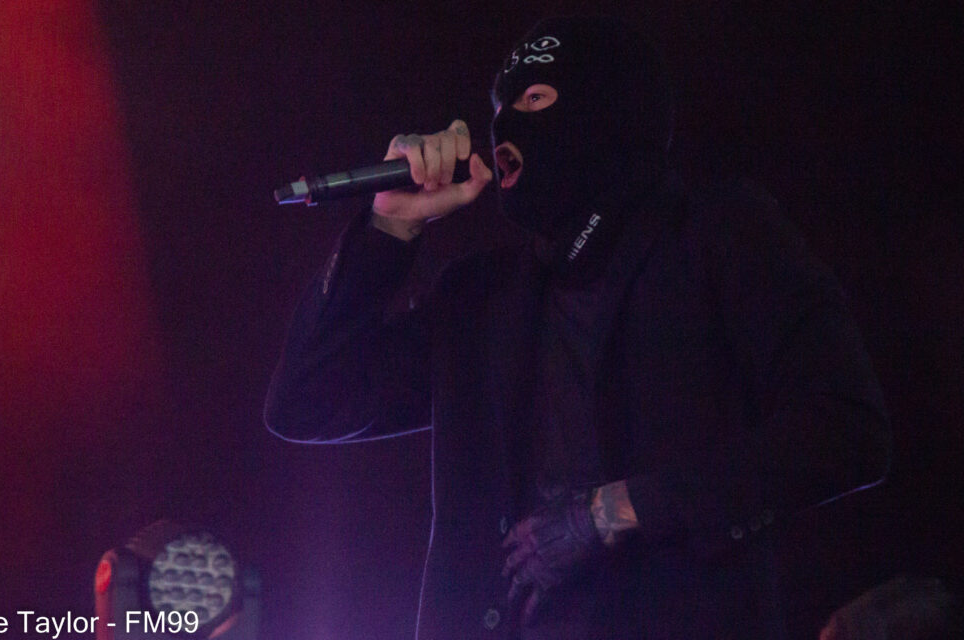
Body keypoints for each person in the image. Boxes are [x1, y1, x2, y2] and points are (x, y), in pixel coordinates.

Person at [265, 15, 892, 640]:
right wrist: (389, 228)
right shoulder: (480, 298)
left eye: (535, 99)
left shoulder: (716, 235)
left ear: (608, 111)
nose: (504, 125)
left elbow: (845, 428)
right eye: (499, 107)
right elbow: (307, 402)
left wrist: (622, 509)